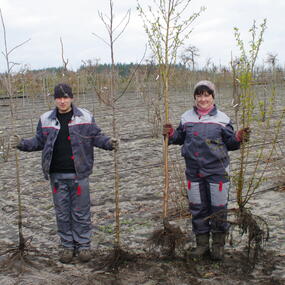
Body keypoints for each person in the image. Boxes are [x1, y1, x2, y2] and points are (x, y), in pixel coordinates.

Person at [10, 83, 118, 263]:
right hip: (57, 176)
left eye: (65, 97)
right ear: (54, 99)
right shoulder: (45, 119)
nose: (62, 101)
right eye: (59, 98)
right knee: (62, 212)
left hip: (79, 174)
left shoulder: (85, 116)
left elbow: (96, 136)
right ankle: (67, 246)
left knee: (81, 211)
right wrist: (21, 143)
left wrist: (109, 142)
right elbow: (38, 141)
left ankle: (83, 245)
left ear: (72, 98)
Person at [163, 80, 250, 261]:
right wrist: (171, 134)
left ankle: (218, 246)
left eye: (207, 95)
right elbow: (180, 137)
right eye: (199, 95)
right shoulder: (186, 117)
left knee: (218, 209)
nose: (203, 99)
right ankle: (201, 245)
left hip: (217, 171)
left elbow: (231, 143)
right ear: (195, 97)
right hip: (193, 171)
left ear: (212, 97)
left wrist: (239, 137)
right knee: (198, 208)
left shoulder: (223, 119)